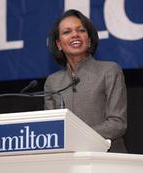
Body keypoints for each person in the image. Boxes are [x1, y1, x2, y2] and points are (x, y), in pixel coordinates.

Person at [44, 9, 127, 153]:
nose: (75, 35)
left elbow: (117, 124)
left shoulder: (109, 71)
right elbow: (50, 129)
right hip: (67, 162)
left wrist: (77, 137)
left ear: (89, 40)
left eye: (81, 30)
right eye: (67, 32)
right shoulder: (53, 82)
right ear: (58, 44)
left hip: (107, 159)